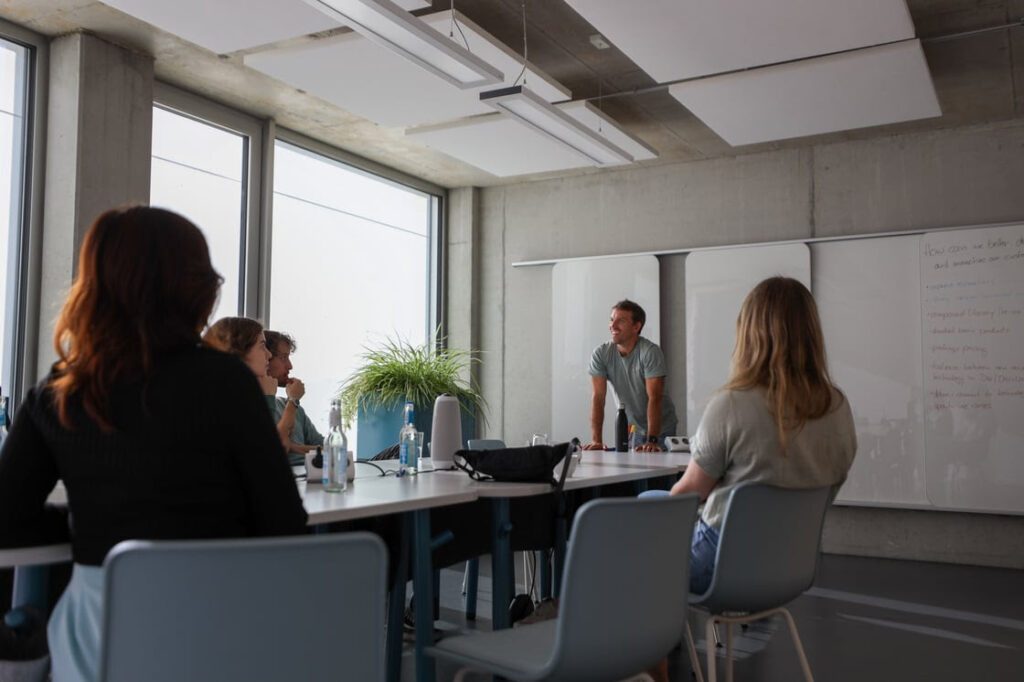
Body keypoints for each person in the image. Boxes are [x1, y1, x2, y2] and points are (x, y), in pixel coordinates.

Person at [0, 206, 307, 682]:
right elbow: (285, 524)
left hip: (100, 654)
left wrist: (96, 526)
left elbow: (5, 520)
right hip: (224, 646)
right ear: (196, 290)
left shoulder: (62, 389)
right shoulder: (228, 383)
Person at [665, 277, 857, 593]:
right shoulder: (838, 405)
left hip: (720, 561)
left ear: (749, 332)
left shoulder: (731, 403)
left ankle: (659, 636)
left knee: (645, 521)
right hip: (792, 561)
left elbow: (689, 494)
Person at [203, 318, 316, 456]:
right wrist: (290, 401)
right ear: (239, 351)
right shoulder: (229, 404)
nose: (268, 355)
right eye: (262, 346)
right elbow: (270, 451)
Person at [583, 299, 679, 452]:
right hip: (631, 430)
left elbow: (655, 398)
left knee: (655, 473)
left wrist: (652, 440)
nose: (613, 326)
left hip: (660, 431)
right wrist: (597, 440)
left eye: (620, 321)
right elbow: (598, 397)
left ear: (636, 326)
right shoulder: (601, 354)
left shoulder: (650, 352)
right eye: (611, 319)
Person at [263, 330, 323, 455]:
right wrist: (293, 401)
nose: (290, 366)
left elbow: (329, 450)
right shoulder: (249, 407)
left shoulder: (289, 406)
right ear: (266, 359)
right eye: (283, 358)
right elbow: (274, 449)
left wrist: (293, 447)